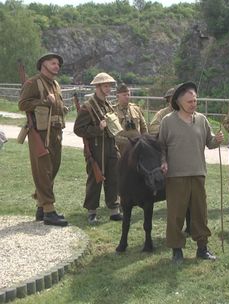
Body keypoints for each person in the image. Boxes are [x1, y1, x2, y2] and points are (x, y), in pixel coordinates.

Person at [158, 82, 224, 263]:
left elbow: (210, 143)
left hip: (198, 173)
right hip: (176, 176)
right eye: (189, 101)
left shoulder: (202, 120)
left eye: (195, 100)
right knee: (176, 214)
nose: (193, 104)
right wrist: (163, 162)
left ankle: (202, 248)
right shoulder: (168, 121)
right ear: (179, 102)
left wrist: (217, 140)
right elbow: (161, 146)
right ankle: (177, 250)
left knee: (200, 213)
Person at [18, 53, 68, 226]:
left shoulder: (56, 85)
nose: (57, 66)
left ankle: (41, 207)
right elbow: (22, 104)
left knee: (52, 170)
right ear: (43, 65)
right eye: (53, 63)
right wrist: (43, 101)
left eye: (58, 64)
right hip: (40, 134)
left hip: (56, 133)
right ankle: (49, 211)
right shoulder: (33, 83)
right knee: (43, 171)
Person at [74, 72, 123, 224]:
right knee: (95, 180)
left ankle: (114, 209)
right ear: (98, 87)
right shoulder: (87, 108)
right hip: (96, 148)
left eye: (109, 86)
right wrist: (97, 128)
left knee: (113, 178)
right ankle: (92, 211)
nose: (109, 89)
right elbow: (78, 129)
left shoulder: (107, 105)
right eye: (106, 86)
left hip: (110, 145)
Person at [113, 84, 148, 156]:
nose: (127, 97)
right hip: (121, 150)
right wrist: (130, 142)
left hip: (137, 149)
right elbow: (113, 134)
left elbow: (144, 128)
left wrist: (145, 141)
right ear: (117, 96)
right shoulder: (113, 111)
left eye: (128, 94)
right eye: (124, 95)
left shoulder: (136, 109)